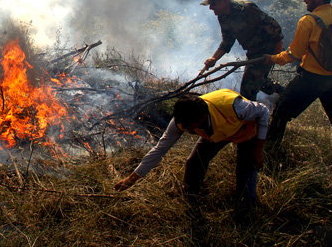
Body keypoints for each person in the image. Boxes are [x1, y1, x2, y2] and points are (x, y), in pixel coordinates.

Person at [114, 89, 269, 217]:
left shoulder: (234, 106)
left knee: (246, 170)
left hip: (246, 131)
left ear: (202, 118)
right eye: (184, 125)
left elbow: (263, 111)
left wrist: (258, 148)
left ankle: (246, 212)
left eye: (190, 126)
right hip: (216, 134)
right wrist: (131, 179)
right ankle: (191, 202)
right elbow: (160, 150)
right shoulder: (181, 121)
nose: (186, 129)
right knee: (194, 163)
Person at [264, 0, 332, 174]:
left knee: (282, 111)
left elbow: (294, 55)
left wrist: (273, 59)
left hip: (311, 78)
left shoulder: (308, 21)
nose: (305, 1)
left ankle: (269, 160)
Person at [201, 0, 284, 101]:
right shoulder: (223, 17)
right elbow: (227, 41)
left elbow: (275, 28)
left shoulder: (246, 9)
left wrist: (278, 56)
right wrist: (214, 59)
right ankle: (284, 92)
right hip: (253, 51)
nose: (211, 8)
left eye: (213, 4)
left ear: (224, 1)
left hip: (267, 49)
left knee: (247, 88)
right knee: (258, 81)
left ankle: (251, 115)